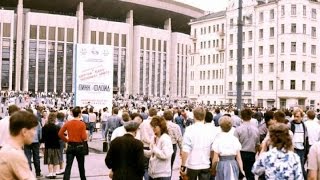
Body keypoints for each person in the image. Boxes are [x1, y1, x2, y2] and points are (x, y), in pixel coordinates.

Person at [0, 110, 38, 179]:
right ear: (24, 131)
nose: (34, 133)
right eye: (33, 129)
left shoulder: (6, 149)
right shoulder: (15, 155)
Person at [180, 107, 216, 180]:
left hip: (192, 164)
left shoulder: (189, 129)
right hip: (205, 163)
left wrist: (183, 166)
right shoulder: (210, 130)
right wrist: (212, 166)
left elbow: (186, 150)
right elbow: (213, 150)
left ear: (194, 116)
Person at [58, 106, 87, 180]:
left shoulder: (68, 123)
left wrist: (66, 140)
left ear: (72, 114)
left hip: (70, 145)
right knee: (81, 166)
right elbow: (84, 137)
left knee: (68, 166)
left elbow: (60, 133)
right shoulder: (82, 124)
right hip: (79, 146)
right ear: (80, 114)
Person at [234, 108, 260, 180]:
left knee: (238, 175)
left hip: (240, 153)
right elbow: (257, 144)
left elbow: (235, 144)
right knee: (250, 175)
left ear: (241, 117)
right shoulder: (256, 129)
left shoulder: (238, 129)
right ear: (251, 116)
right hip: (251, 154)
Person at [24, 107, 43, 178]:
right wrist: (40, 139)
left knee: (27, 157)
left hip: (26, 141)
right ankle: (38, 173)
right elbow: (40, 132)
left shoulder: (23, 123)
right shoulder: (36, 122)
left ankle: (29, 173)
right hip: (35, 141)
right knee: (36, 157)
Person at [42, 112, 61, 178]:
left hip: (48, 145)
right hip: (56, 145)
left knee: (49, 160)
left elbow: (43, 137)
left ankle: (50, 173)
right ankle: (54, 173)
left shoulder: (45, 127)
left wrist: (41, 142)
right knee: (55, 160)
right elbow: (59, 137)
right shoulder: (57, 127)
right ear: (55, 119)